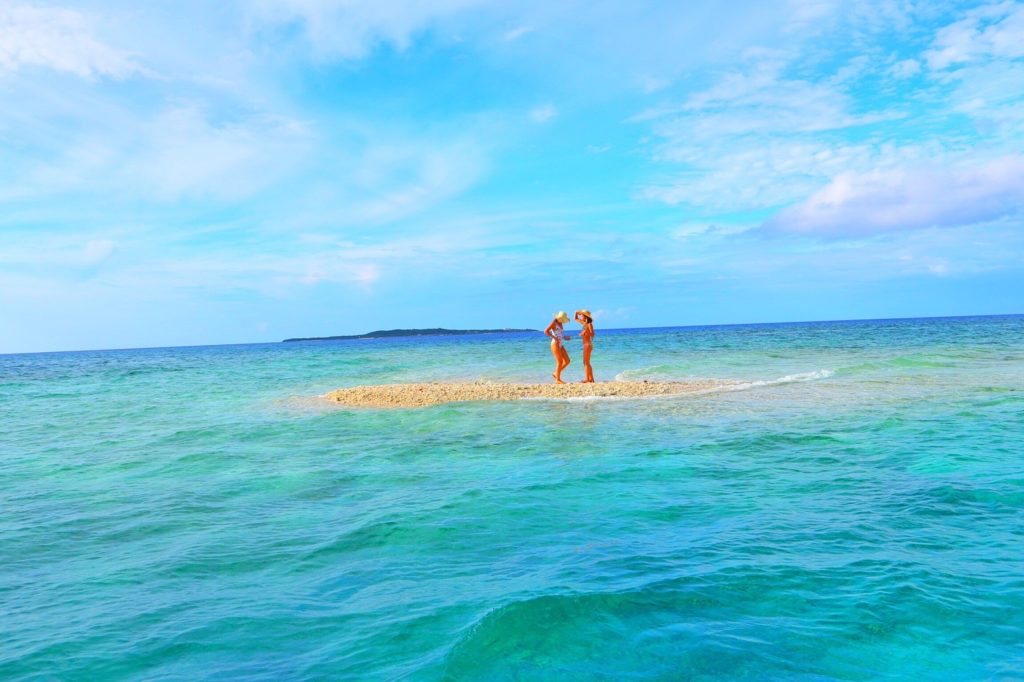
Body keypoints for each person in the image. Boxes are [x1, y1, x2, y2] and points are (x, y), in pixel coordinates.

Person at [545, 311, 572, 383]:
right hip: (555, 343)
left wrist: (565, 337)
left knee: (567, 361)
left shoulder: (561, 323)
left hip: (561, 343)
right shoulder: (554, 322)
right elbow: (546, 331)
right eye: (562, 319)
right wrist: (554, 337)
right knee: (560, 362)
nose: (562, 320)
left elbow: (559, 334)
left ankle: (555, 373)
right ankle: (558, 380)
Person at [575, 309, 595, 383]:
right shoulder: (584, 323)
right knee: (587, 362)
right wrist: (576, 312)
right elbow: (576, 319)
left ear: (585, 316)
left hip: (587, 344)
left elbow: (592, 334)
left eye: (582, 315)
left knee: (586, 362)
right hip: (585, 344)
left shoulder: (589, 324)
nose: (581, 316)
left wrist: (585, 332)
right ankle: (591, 379)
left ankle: (587, 379)